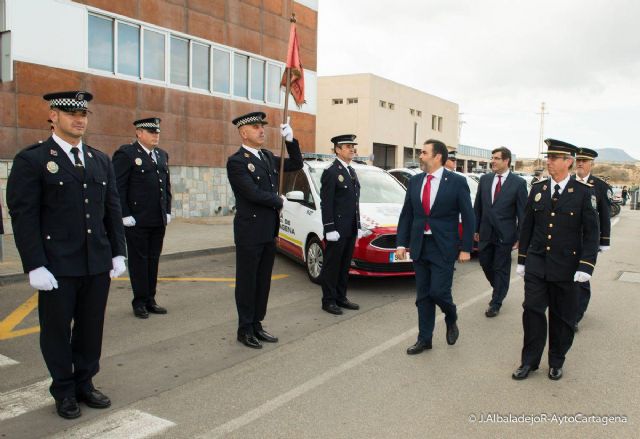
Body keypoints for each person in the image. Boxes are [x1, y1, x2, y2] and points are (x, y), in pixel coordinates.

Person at [6, 91, 126, 419]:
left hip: (96, 262)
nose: (79, 119)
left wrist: (118, 252)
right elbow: (24, 214)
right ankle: (63, 389)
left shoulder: (100, 159)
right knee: (57, 330)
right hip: (57, 265)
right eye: (70, 112)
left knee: (91, 327)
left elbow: (111, 208)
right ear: (53, 116)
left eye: (83, 113)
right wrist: (34, 264)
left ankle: (85, 383)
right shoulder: (32, 160)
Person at [512, 139, 599, 381]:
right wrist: (522, 260)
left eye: (554, 158)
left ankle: (556, 360)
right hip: (538, 263)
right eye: (548, 157)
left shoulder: (583, 192)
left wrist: (586, 265)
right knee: (532, 311)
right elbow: (527, 226)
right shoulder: (538, 189)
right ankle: (529, 361)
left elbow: (592, 232)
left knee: (562, 317)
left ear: (568, 162)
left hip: (567, 267)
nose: (548, 162)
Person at [226, 112, 303, 349]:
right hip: (249, 231)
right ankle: (244, 328)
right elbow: (251, 193)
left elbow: (296, 164)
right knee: (247, 281)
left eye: (263, 127)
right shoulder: (237, 161)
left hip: (268, 230)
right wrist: (278, 201)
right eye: (256, 127)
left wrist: (291, 141)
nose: (262, 130)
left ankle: (257, 324)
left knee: (263, 282)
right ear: (243, 132)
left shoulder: (268, 157)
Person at [396, 139, 475, 355]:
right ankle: (424, 339)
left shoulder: (457, 182)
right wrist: (401, 243)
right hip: (420, 244)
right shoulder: (415, 181)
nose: (420, 156)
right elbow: (407, 214)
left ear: (437, 156)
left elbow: (468, 217)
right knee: (423, 296)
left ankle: (451, 316)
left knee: (439, 292)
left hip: (444, 246)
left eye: (424, 152)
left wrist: (466, 247)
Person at [112, 118, 172, 319]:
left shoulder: (161, 155)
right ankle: (139, 302)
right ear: (139, 133)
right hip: (136, 220)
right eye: (151, 131)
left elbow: (166, 187)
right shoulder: (127, 154)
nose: (156, 135)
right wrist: (124, 214)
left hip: (157, 219)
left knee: (153, 260)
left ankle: (150, 299)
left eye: (157, 132)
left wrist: (168, 210)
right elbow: (118, 187)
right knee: (139, 262)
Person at [473, 147, 527, 318]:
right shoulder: (485, 179)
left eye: (496, 158)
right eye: (492, 158)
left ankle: (496, 302)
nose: (493, 161)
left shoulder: (518, 183)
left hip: (505, 235)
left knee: (500, 268)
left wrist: (520, 236)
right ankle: (499, 288)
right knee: (485, 263)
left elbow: (522, 213)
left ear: (506, 161)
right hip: (486, 232)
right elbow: (478, 207)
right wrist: (475, 228)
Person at [319, 134, 362, 315]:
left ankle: (340, 297)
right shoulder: (331, 172)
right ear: (337, 149)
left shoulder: (351, 171)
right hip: (336, 229)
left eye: (353, 146)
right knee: (332, 266)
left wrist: (357, 225)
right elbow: (326, 203)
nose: (352, 149)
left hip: (350, 228)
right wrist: (329, 228)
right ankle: (328, 300)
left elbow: (353, 202)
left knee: (345, 265)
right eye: (347, 146)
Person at [573, 147, 611, 331]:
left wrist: (604, 240)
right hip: (565, 240)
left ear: (591, 164)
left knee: (582, 278)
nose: (580, 163)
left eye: (584, 160)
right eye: (578, 159)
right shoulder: (568, 182)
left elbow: (605, 215)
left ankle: (576, 316)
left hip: (587, 241)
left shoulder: (599, 186)